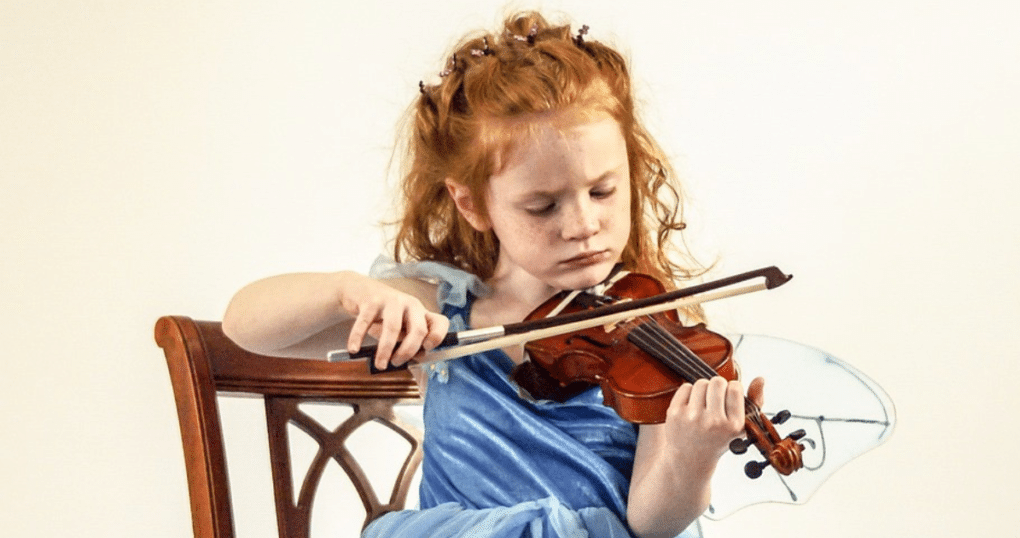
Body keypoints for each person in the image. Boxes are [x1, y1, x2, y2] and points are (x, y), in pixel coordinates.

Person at [223, 11, 764, 538]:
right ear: (473, 203)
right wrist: (348, 292)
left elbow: (651, 522)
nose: (582, 225)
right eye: (542, 206)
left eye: (602, 191)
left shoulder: (654, 330)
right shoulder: (437, 314)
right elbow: (245, 326)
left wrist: (694, 457)